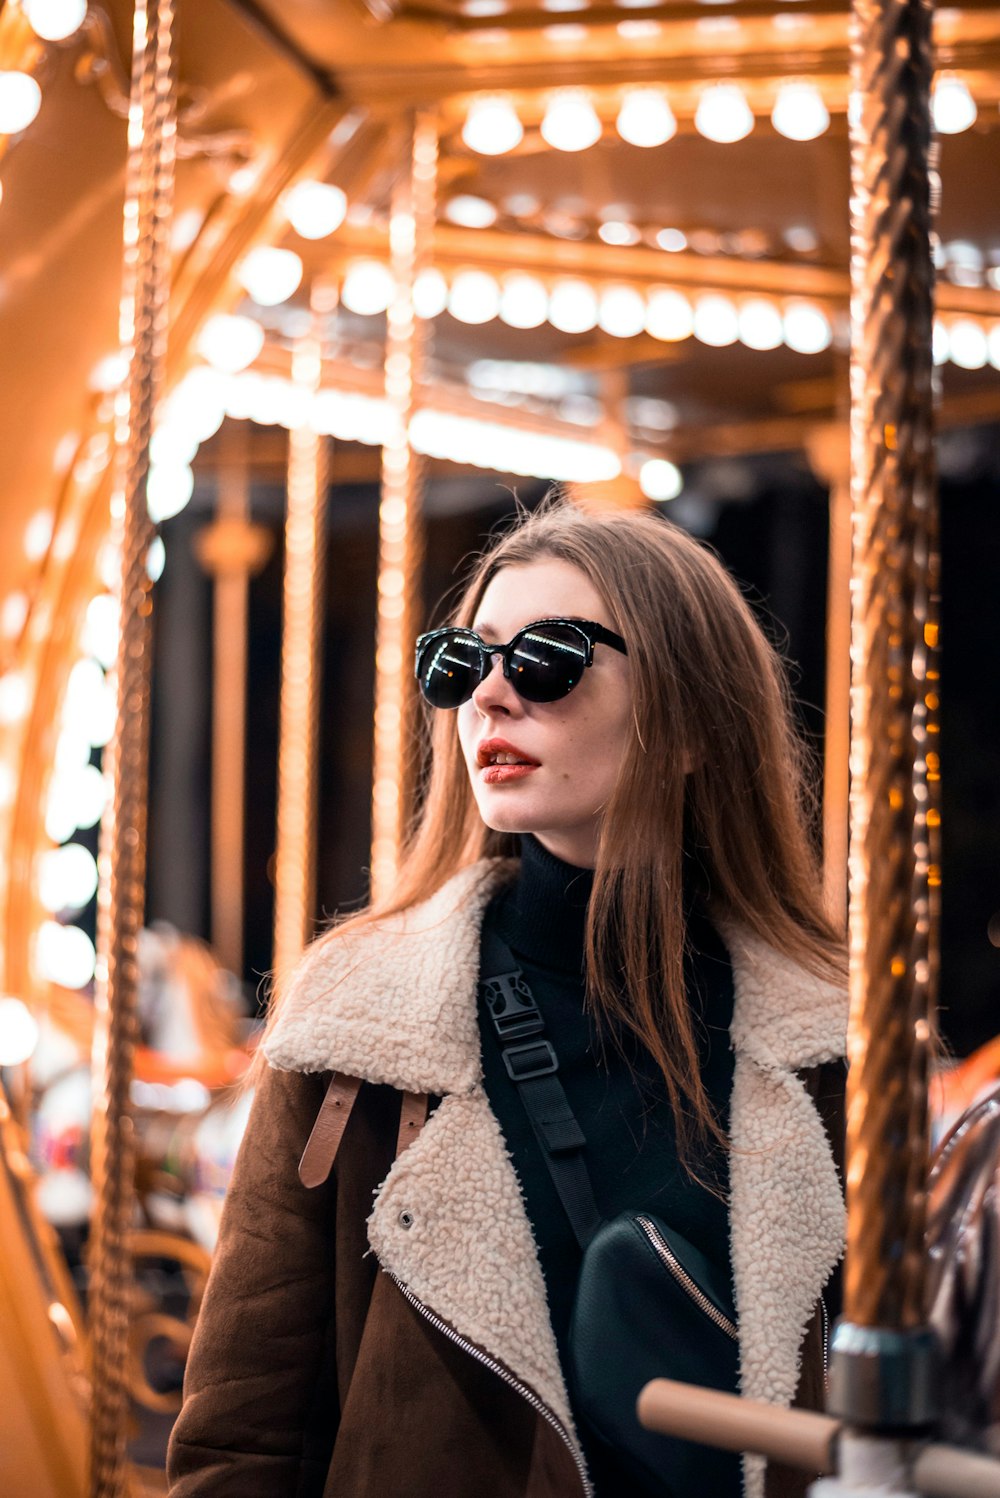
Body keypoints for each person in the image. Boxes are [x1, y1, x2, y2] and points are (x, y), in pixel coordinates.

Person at [167, 500, 847, 1498]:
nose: (488, 696)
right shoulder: (359, 1027)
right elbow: (240, 1437)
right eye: (462, 661)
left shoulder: (827, 1045)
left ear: (691, 719)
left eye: (546, 659)